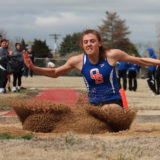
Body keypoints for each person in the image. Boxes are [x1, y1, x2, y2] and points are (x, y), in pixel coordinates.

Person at [23, 29, 160, 110]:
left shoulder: (112, 55)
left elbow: (140, 61)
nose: (89, 44)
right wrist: (33, 67)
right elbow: (55, 73)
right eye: (86, 42)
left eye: (92, 41)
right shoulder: (77, 61)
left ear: (99, 43)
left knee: (107, 110)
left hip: (113, 103)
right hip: (93, 104)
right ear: (83, 45)